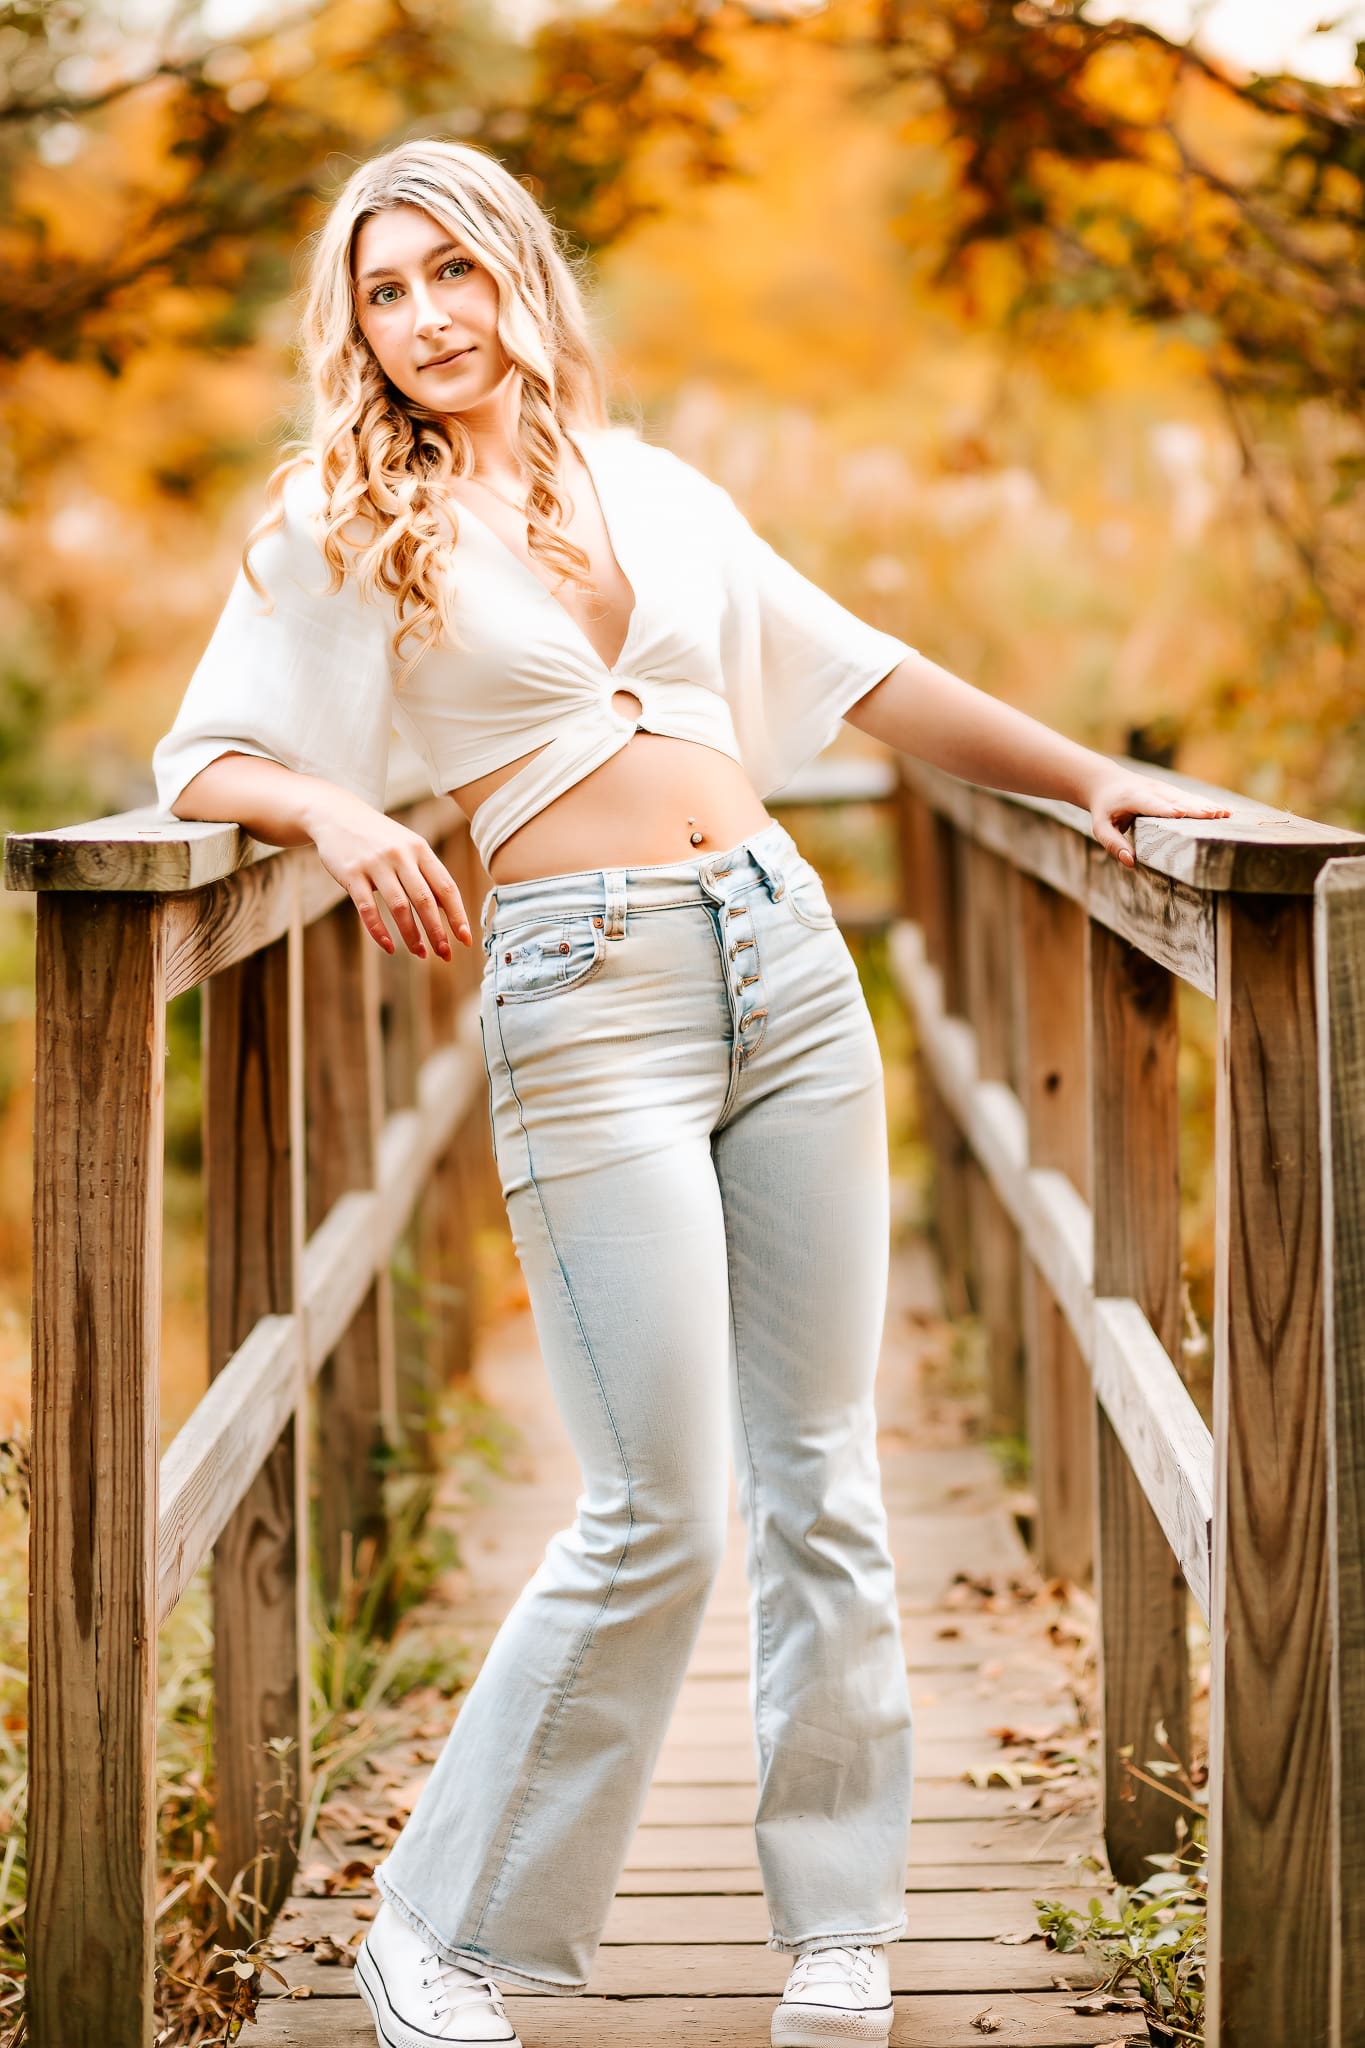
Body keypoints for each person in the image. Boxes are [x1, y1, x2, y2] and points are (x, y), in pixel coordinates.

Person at [151, 137, 1230, 2048]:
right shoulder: (338, 515)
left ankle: (838, 1929)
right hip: (584, 998)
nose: (425, 323)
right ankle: (440, 1925)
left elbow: (866, 677)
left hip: (786, 966)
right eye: (385, 294)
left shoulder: (649, 486)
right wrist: (329, 808)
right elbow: (205, 755)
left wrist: (1092, 782)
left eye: (453, 274)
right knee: (658, 1500)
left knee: (823, 1476)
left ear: (520, 276)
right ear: (359, 329)